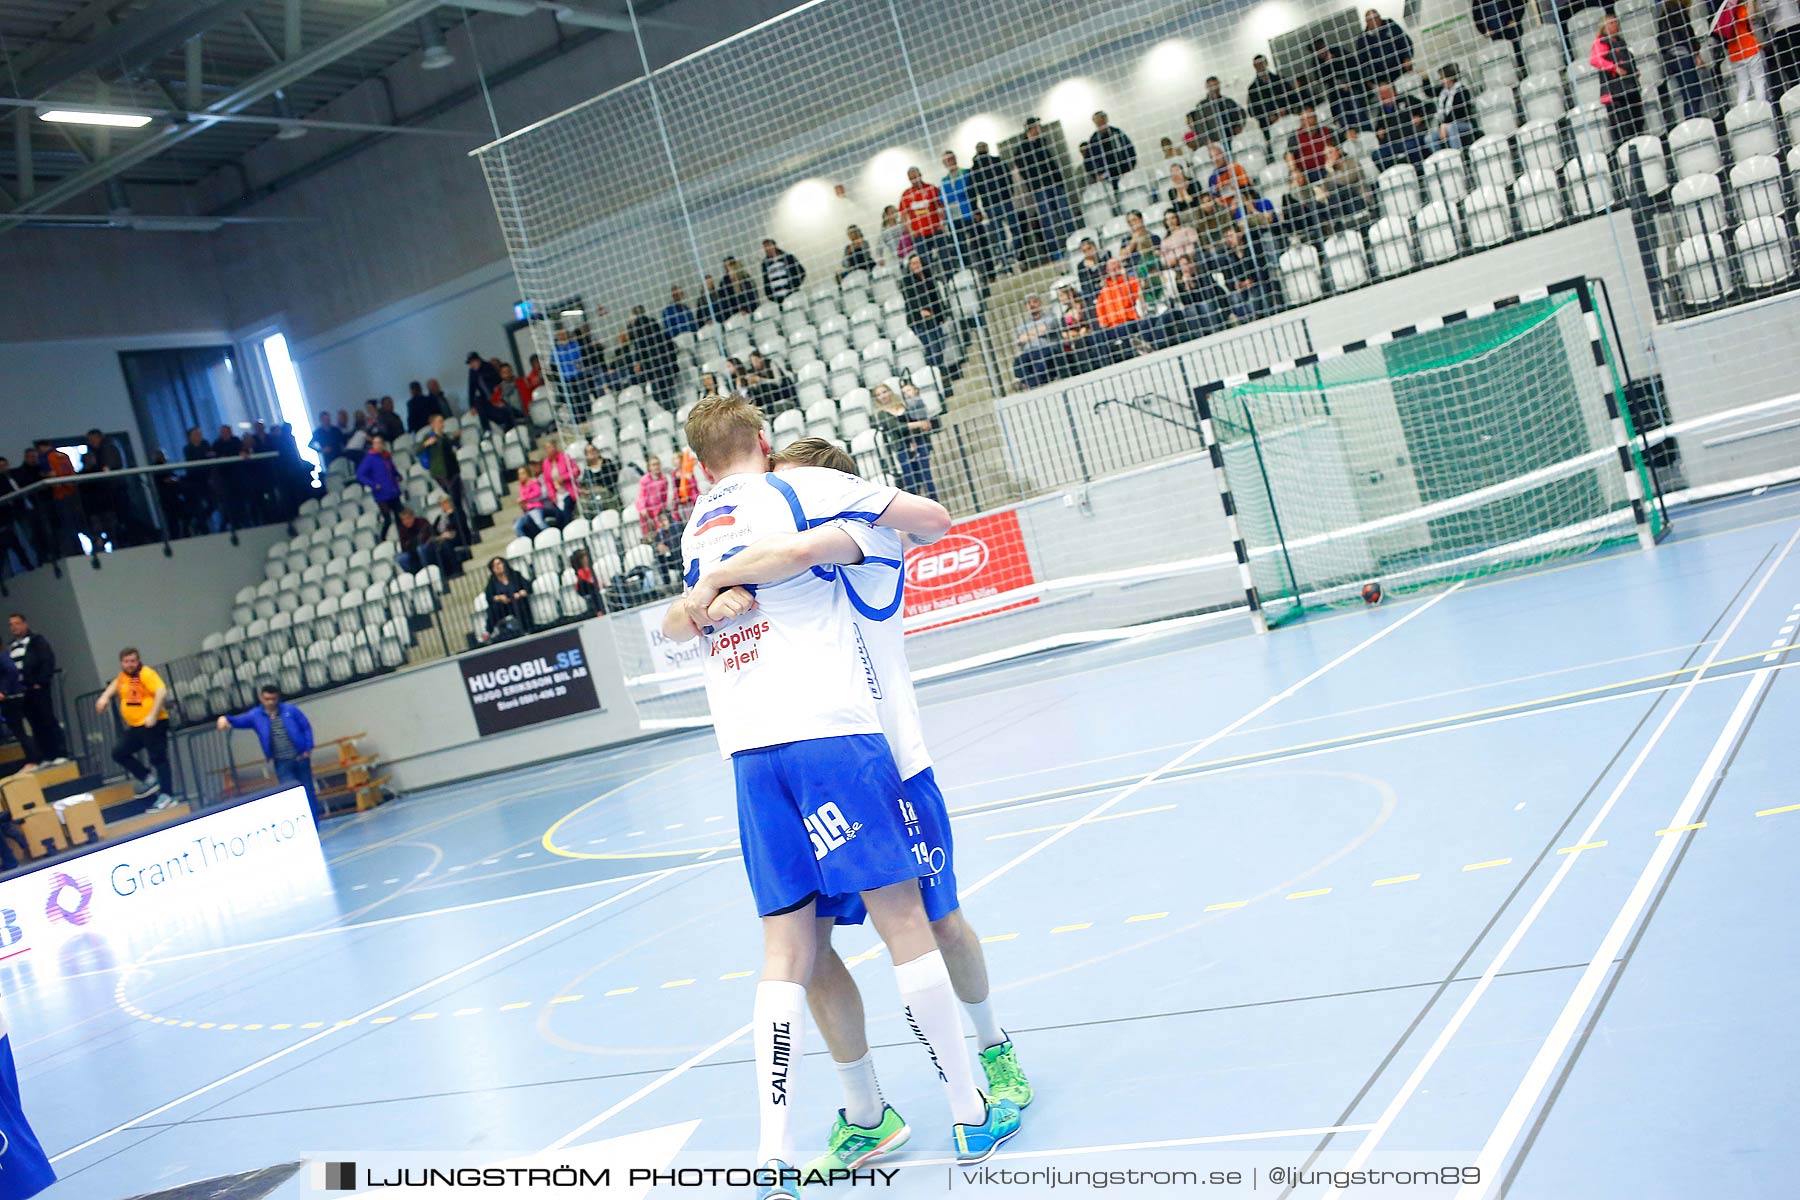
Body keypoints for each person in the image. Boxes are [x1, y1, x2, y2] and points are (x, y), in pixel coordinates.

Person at [662, 397, 1019, 1191]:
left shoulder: (861, 534)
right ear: (759, 449)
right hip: (817, 746)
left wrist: (714, 581)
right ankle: (867, 1113)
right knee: (813, 949)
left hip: (885, 758)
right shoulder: (755, 525)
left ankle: (992, 1064)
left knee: (936, 920)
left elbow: (809, 547)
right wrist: (703, 598)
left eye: (796, 478)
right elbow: (694, 612)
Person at [217, 685, 319, 818]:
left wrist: (308, 748)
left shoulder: (290, 710)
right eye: (267, 699)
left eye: (273, 699)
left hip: (301, 758)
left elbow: (306, 727)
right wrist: (225, 718)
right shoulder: (256, 715)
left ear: (278, 698)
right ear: (261, 698)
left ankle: (314, 822)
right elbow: (239, 721)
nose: (270, 702)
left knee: (308, 793)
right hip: (281, 763)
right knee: (291, 794)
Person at [95, 647, 176, 809]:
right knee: (119, 752)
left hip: (153, 724)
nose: (130, 664)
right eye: (126, 661)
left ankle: (168, 796)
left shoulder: (146, 674)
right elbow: (115, 685)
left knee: (159, 758)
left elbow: (161, 691)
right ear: (122, 663)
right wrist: (104, 698)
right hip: (136, 726)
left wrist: (153, 714)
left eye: (133, 661)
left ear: (138, 661)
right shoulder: (124, 677)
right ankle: (147, 778)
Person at [1015, 115, 1077, 260]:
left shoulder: (1042, 143)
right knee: (1047, 220)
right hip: (1039, 188)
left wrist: (1058, 179)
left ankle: (1075, 241)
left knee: (1065, 213)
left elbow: (1050, 162)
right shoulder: (1023, 149)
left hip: (1053, 184)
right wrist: (1034, 183)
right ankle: (1054, 251)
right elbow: (1024, 169)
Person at [6, 614, 64, 765]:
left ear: (25, 624)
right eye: (11, 625)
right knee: (34, 723)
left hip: (37, 687)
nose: (14, 627)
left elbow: (47, 660)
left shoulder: (37, 641)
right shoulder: (11, 646)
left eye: (17, 623)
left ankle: (59, 752)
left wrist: (41, 682)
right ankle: (46, 755)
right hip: (22, 691)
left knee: (47, 719)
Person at [872, 382, 936, 499]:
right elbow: (897, 427)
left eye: (884, 392)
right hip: (902, 447)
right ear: (876, 398)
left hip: (918, 442)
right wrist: (919, 424)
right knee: (911, 480)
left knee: (926, 475)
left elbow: (916, 416)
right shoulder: (882, 414)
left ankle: (934, 502)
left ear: (890, 392)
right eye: (879, 394)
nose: (883, 396)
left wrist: (917, 433)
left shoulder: (904, 405)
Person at [1590, 17, 1645, 144]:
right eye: (1611, 23)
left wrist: (1633, 70)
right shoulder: (1601, 42)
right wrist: (1614, 68)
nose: (1615, 25)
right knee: (1623, 123)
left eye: (1616, 22)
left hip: (1630, 87)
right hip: (1615, 92)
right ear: (1604, 27)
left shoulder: (1621, 41)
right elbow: (1595, 60)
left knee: (1637, 119)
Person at [969, 141, 1022, 270]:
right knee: (1014, 230)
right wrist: (1009, 192)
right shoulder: (997, 162)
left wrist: (976, 208)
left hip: (991, 203)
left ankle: (1006, 258)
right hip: (1003, 200)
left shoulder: (975, 170)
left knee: (1000, 234)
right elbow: (1008, 178)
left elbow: (972, 191)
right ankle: (1011, 254)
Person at [901, 253, 954, 376]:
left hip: (934, 317)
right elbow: (910, 299)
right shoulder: (907, 281)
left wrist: (942, 312)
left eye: (918, 262)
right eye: (913, 263)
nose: (916, 266)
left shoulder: (929, 277)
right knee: (932, 347)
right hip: (919, 320)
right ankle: (935, 374)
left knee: (940, 344)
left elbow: (936, 297)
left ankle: (936, 371)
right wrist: (920, 311)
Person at [1659, 0, 1708, 122]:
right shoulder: (1679, 11)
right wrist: (1696, 53)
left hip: (1671, 58)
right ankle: (1693, 122)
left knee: (1687, 94)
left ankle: (1692, 122)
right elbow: (1687, 34)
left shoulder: (1663, 16)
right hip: (1683, 56)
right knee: (1693, 92)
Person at [1369, 80, 1430, 170]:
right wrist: (1379, 131)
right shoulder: (1382, 111)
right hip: (1392, 143)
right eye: (1380, 94)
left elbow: (1428, 107)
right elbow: (1378, 128)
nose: (1382, 96)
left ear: (1393, 92)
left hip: (1411, 137)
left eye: (1385, 93)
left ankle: (1420, 172)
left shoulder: (1407, 100)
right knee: (1376, 155)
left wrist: (1420, 116)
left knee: (1410, 146)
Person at [1715, 0, 1768, 103]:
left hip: (1734, 52)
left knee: (1743, 86)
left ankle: (1742, 113)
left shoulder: (1724, 12)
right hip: (1749, 48)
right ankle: (1762, 110)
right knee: (1758, 82)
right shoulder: (1739, 9)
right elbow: (1751, 16)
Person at [1081, 110, 1137, 204]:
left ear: (1106, 120)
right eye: (1097, 123)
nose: (1100, 124)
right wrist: (1096, 175)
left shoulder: (1117, 133)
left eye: (1101, 121)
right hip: (1106, 177)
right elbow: (1088, 162)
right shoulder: (1093, 140)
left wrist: (1130, 166)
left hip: (1123, 170)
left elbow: (1130, 150)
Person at [354, 434, 403, 540]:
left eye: (379, 443)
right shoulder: (370, 458)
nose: (378, 445)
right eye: (375, 443)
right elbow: (360, 475)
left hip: (393, 490)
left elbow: (391, 468)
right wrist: (373, 484)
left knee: (400, 516)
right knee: (387, 519)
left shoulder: (386, 456)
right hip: (382, 493)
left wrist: (397, 475)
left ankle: (403, 538)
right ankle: (383, 538)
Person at [900, 166, 949, 271]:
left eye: (915, 177)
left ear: (920, 175)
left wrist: (942, 223)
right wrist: (911, 231)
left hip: (935, 230)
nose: (914, 180)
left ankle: (949, 279)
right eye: (911, 178)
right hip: (919, 235)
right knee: (925, 262)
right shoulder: (906, 195)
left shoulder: (931, 189)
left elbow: (941, 207)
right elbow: (903, 216)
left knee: (945, 257)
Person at [419, 411, 466, 520]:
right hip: (442, 473)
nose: (442, 424)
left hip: (452, 469)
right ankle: (457, 522)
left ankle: (462, 524)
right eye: (440, 421)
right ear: (433, 424)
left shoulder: (444, 436)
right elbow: (418, 450)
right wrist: (426, 444)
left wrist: (456, 438)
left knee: (458, 500)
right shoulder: (430, 436)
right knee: (454, 499)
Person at [1011, 294, 1065, 388]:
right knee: (1018, 362)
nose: (1031, 305)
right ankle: (1031, 383)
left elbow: (1046, 328)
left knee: (1042, 357)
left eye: (1034, 302)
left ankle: (1033, 384)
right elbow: (1019, 340)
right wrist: (1037, 332)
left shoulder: (1050, 317)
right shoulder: (1023, 325)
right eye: (1028, 303)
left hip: (1047, 348)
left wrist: (1027, 335)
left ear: (1039, 303)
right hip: (1029, 351)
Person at [1355, 8, 1416, 90]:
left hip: (1401, 72)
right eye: (1371, 19)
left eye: (1376, 17)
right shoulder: (1362, 39)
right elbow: (1362, 62)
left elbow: (1405, 41)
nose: (1375, 21)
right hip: (1381, 80)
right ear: (1367, 22)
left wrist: (1407, 57)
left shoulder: (1390, 25)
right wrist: (1369, 80)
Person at [1427, 62, 1479, 151]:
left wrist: (1445, 124)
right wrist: (1425, 79)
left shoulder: (1462, 91)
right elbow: (1429, 92)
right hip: (1446, 125)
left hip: (1464, 124)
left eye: (1442, 78)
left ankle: (1457, 155)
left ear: (1450, 78)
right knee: (1429, 138)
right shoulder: (1443, 92)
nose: (1441, 81)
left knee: (1452, 127)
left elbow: (1457, 112)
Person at [483, 556, 532, 640]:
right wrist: (499, 597)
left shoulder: (515, 575)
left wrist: (520, 593)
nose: (497, 567)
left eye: (499, 564)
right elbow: (489, 596)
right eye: (494, 566)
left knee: (522, 605)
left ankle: (526, 629)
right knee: (492, 609)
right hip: (503, 606)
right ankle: (488, 633)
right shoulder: (492, 581)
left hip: (517, 602)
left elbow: (527, 586)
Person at [1189, 77, 1246, 149]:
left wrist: (1239, 126)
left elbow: (1242, 113)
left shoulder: (1228, 102)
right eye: (1212, 86)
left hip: (1233, 140)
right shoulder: (1202, 107)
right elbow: (1200, 127)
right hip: (1215, 144)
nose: (1215, 89)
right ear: (1207, 87)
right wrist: (1208, 142)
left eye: (1216, 85)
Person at [1246, 54, 1302, 128]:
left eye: (1261, 63)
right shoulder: (1253, 89)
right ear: (1254, 67)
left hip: (1288, 119)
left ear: (1266, 63)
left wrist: (1286, 109)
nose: (1260, 67)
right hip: (1269, 125)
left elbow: (1293, 97)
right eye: (1257, 65)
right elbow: (1252, 111)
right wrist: (1267, 117)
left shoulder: (1280, 80)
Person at [1285, 111, 1336, 183]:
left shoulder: (1326, 131)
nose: (1306, 122)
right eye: (1302, 119)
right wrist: (1294, 170)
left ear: (1315, 118)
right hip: (1306, 175)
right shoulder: (1295, 136)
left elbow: (1338, 145)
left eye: (1309, 118)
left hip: (1327, 169)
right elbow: (1289, 155)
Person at [513, 465, 558, 538]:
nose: (521, 476)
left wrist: (524, 498)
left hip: (535, 508)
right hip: (526, 511)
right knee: (517, 527)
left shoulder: (533, 482)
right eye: (519, 474)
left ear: (527, 473)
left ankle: (551, 537)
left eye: (523, 473)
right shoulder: (521, 486)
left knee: (540, 523)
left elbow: (537, 492)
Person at [760, 239, 807, 305]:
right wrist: (770, 296)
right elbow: (766, 282)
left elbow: (802, 272)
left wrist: (792, 286)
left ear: (774, 246)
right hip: (777, 300)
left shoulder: (788, 257)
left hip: (792, 296)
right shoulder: (765, 264)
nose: (767, 250)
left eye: (769, 246)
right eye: (765, 248)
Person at [636, 455, 672, 538]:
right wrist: (643, 510)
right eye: (653, 465)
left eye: (657, 464)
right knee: (652, 535)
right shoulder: (644, 480)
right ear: (649, 467)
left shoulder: (664, 479)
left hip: (659, 510)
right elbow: (641, 496)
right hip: (647, 512)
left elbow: (664, 496)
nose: (656, 467)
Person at [466, 352, 501, 416]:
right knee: (479, 403)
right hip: (486, 399)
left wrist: (497, 397)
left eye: (473, 362)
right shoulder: (472, 372)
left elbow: (498, 382)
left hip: (497, 396)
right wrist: (472, 406)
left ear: (478, 360)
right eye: (470, 363)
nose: (472, 365)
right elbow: (471, 389)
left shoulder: (488, 366)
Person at [876, 204, 909, 268]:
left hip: (909, 254)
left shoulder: (902, 225)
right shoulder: (884, 231)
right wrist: (880, 258)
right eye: (892, 212)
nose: (895, 213)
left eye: (895, 211)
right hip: (897, 258)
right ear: (887, 215)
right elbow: (879, 248)